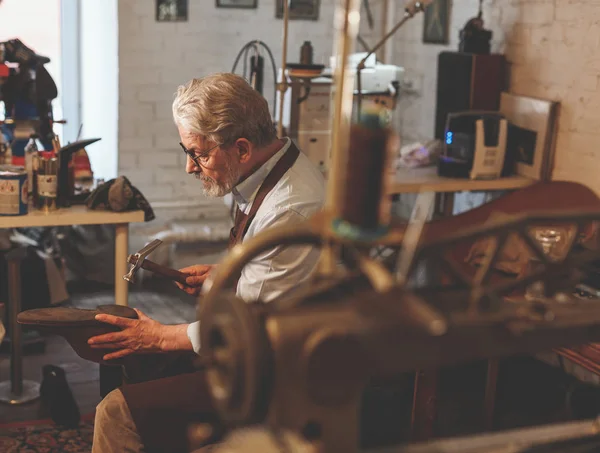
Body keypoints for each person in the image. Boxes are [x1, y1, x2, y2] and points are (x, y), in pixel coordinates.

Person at [90, 73, 325, 453]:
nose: (190, 167)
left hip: (273, 374)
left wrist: (162, 336)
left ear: (242, 148)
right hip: (254, 341)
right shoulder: (260, 172)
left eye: (198, 154)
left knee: (115, 413)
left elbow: (249, 328)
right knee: (123, 360)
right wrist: (227, 274)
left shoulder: (290, 208)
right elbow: (279, 273)